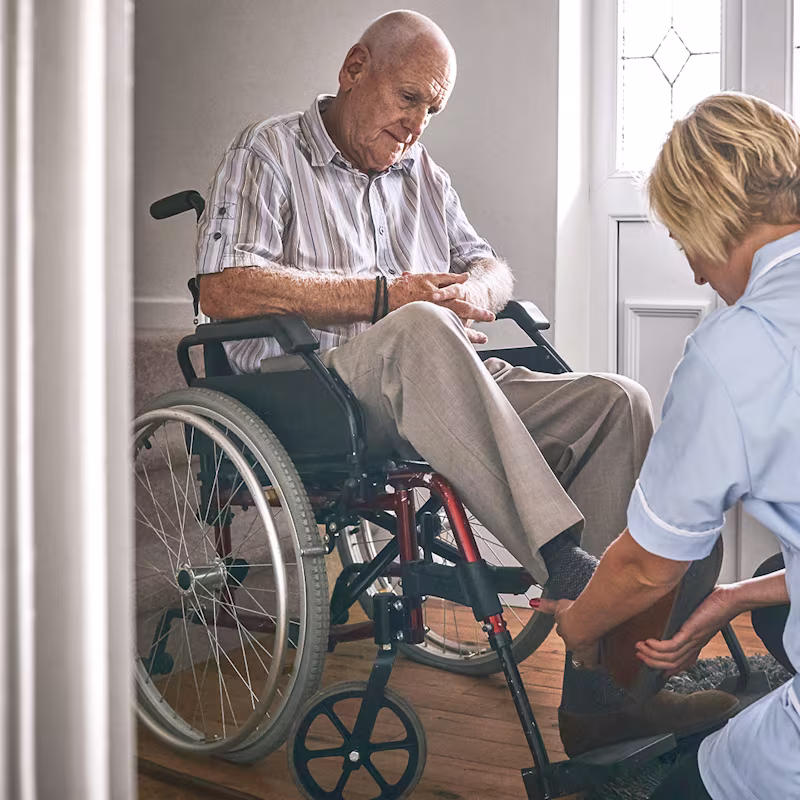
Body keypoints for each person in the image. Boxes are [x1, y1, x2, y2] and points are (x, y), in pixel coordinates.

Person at [195, 9, 734, 754]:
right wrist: (388, 295)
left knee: (616, 401)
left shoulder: (422, 173)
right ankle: (573, 572)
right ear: (355, 68)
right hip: (314, 390)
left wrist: (481, 287)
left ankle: (602, 696)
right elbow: (224, 289)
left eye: (432, 110)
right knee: (419, 327)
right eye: (408, 97)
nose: (417, 124)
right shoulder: (268, 150)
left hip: (440, 374)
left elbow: (487, 260)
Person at [539, 92, 800, 798]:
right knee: (780, 597)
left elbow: (648, 570)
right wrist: (731, 598)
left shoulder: (733, 350)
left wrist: (583, 627)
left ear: (712, 220)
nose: (691, 273)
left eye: (686, 244)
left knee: (686, 786)